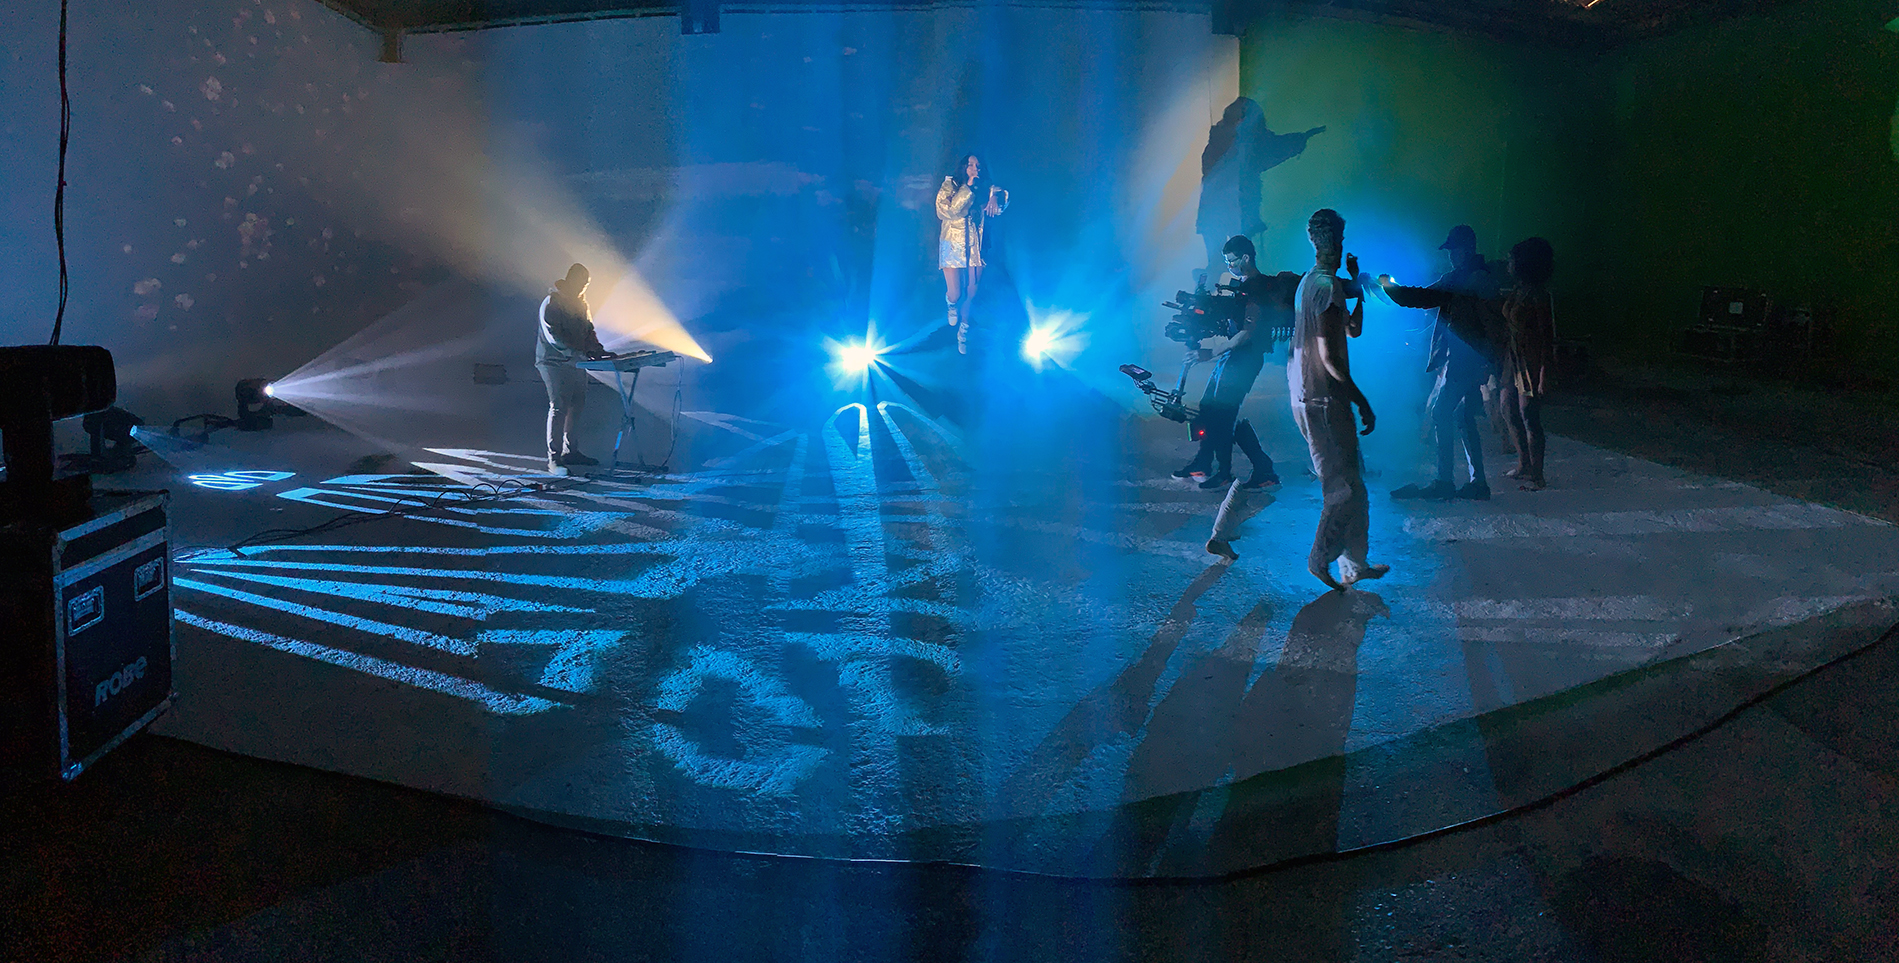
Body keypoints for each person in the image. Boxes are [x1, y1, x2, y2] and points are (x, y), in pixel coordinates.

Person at [1282, 209, 1387, 589]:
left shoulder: (1311, 282)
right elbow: (1330, 357)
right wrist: (1361, 399)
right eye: (1338, 239)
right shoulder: (1326, 286)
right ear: (1337, 242)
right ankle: (1320, 557)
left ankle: (1355, 564)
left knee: (1353, 484)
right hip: (1321, 398)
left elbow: (1352, 329)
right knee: (1342, 488)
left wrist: (1357, 290)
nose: (1338, 245)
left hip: (1309, 394)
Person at [1391, 224, 1501, 501]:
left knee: (1442, 412)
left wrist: (1390, 289)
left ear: (1469, 249)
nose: (1451, 255)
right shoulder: (1467, 278)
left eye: (1455, 250)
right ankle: (1477, 482)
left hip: (1466, 357)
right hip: (1469, 356)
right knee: (1463, 416)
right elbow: (1424, 297)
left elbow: (1424, 297)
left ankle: (1445, 481)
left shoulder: (1469, 280)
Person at [1175, 235, 1283, 495]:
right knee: (1209, 408)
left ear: (1246, 257)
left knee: (1224, 415)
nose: (1229, 266)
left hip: (1246, 357)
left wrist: (1210, 352)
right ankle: (1204, 463)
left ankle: (1247, 472)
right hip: (1233, 356)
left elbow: (1247, 332)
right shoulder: (1241, 286)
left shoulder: (1257, 288)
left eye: (1232, 261)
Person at [1196, 98, 1326, 278]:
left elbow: (1271, 148)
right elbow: (1268, 150)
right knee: (1225, 263)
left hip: (1230, 211)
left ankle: (1227, 287)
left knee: (1234, 262)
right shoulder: (1228, 143)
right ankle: (1214, 287)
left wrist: (1300, 139)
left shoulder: (1236, 142)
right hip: (1225, 211)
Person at [536, 263, 614, 477]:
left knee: (577, 405)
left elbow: (588, 329)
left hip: (577, 361)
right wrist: (577, 354)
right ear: (570, 280)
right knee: (559, 407)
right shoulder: (552, 303)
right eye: (581, 283)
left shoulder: (581, 303)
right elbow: (554, 337)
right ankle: (554, 459)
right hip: (552, 362)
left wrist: (598, 349)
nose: (583, 288)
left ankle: (571, 452)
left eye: (586, 284)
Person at [1496, 238, 1557, 489]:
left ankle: (1537, 475)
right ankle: (1524, 464)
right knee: (1507, 408)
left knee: (1529, 415)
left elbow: (1547, 336)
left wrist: (1544, 372)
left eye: (1512, 260)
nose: (1508, 264)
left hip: (1530, 359)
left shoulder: (1539, 295)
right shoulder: (1518, 291)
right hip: (1513, 358)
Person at [936, 153, 1008, 355]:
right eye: (970, 165)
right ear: (963, 166)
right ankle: (951, 303)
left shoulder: (987, 189)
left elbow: (1001, 204)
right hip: (953, 242)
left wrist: (995, 196)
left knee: (972, 293)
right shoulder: (950, 185)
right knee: (956, 293)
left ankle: (964, 329)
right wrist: (968, 186)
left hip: (976, 245)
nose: (975, 169)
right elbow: (948, 211)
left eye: (978, 165)